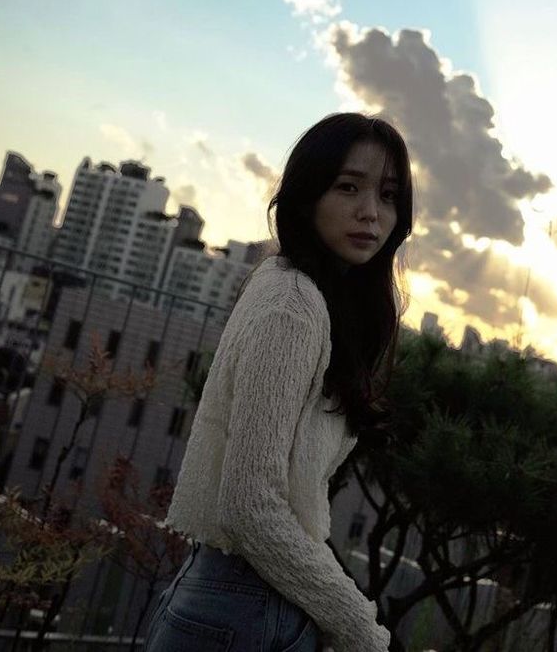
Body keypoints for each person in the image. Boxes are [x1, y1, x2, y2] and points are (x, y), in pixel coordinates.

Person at [144, 112, 413, 652]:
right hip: (246, 608)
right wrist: (363, 629)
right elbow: (249, 506)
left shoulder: (293, 287)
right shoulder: (293, 306)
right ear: (307, 194)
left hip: (237, 599)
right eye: (348, 187)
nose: (370, 213)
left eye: (386, 195)